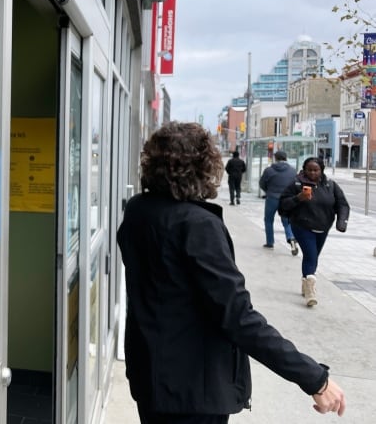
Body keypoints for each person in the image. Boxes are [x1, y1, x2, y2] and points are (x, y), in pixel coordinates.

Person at [116, 122, 345, 423]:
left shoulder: (138, 210)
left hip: (151, 376)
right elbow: (238, 317)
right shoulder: (196, 225)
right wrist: (314, 377)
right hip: (192, 390)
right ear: (203, 167)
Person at [279, 157, 349, 307]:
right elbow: (283, 205)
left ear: (321, 170)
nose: (312, 173)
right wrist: (299, 198)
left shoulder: (331, 185)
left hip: (323, 227)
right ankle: (311, 292)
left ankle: (305, 282)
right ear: (304, 170)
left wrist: (341, 221)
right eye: (309, 170)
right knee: (311, 256)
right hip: (301, 226)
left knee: (313, 257)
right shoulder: (296, 184)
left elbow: (342, 204)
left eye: (315, 170)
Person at [258, 150, 298, 254]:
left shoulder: (269, 170)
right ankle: (291, 238)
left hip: (272, 198)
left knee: (268, 220)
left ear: (275, 158)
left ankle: (270, 242)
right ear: (286, 158)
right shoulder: (293, 171)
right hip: (286, 200)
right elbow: (296, 185)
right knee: (287, 221)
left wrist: (268, 191)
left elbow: (262, 183)